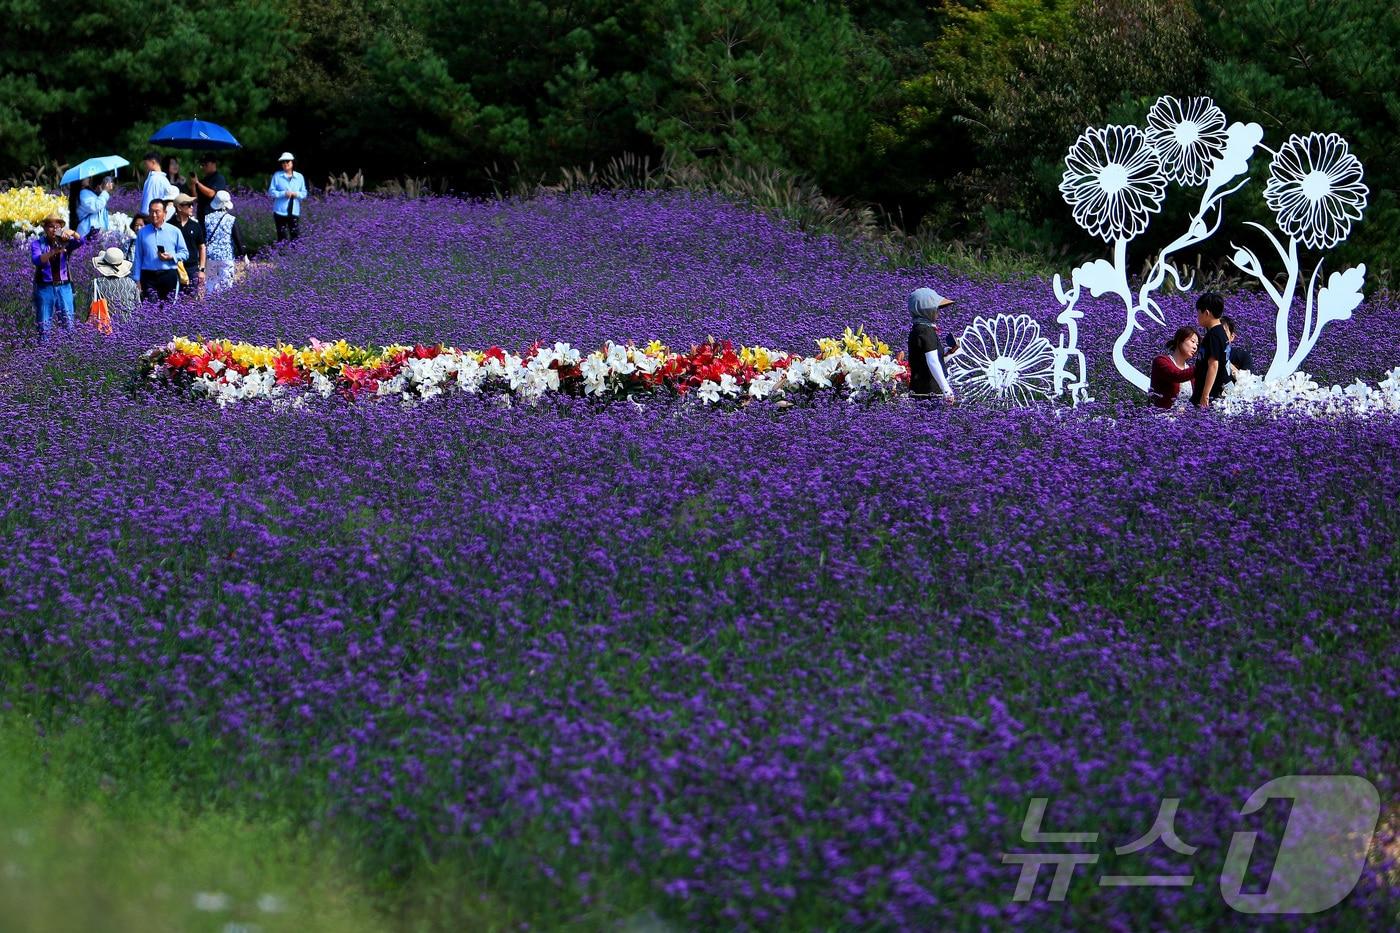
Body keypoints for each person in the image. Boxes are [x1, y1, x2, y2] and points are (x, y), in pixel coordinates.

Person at [31, 212, 85, 336]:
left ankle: (68, 349)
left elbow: (81, 241)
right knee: (44, 325)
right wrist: (54, 251)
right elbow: (37, 260)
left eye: (57, 226)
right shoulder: (38, 244)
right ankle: (43, 351)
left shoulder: (66, 241)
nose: (54, 229)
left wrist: (72, 233)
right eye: (50, 226)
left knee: (68, 323)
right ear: (45, 228)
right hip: (45, 287)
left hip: (64, 286)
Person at [907, 287, 960, 402]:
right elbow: (932, 361)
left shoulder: (917, 329)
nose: (938, 311)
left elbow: (922, 356)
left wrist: (945, 351)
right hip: (930, 391)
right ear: (926, 310)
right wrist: (946, 390)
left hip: (918, 388)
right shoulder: (926, 331)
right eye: (935, 308)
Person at [130, 199, 188, 302]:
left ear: (164, 213)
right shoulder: (142, 232)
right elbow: (138, 257)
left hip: (168, 274)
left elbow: (185, 253)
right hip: (148, 276)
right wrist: (137, 279)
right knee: (149, 308)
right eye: (151, 211)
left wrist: (172, 257)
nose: (154, 215)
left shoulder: (174, 231)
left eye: (157, 211)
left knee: (168, 309)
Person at [203, 189, 247, 295]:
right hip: (226, 256)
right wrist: (244, 255)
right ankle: (224, 306)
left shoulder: (206, 218)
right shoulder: (231, 219)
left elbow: (202, 238)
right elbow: (238, 240)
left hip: (210, 255)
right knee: (226, 284)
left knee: (210, 282)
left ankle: (210, 306)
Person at [1191, 292, 1229, 409]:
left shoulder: (1213, 335)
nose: (1197, 317)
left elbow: (1213, 365)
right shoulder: (1221, 333)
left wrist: (1205, 395)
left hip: (1211, 394)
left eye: (1198, 313)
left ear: (1206, 313)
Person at [1148, 326, 1198, 409]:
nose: (1195, 347)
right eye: (1192, 341)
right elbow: (1176, 375)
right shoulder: (1160, 361)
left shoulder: (1189, 369)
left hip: (1183, 419)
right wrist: (1202, 366)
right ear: (1179, 340)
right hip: (1161, 417)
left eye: (1197, 344)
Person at [170, 193, 207, 297]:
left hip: (192, 268)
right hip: (174, 267)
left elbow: (202, 247)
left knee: (191, 299)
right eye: (188, 204)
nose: (192, 207)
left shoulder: (195, 226)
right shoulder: (170, 225)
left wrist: (202, 269)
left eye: (192, 204)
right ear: (179, 207)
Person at [90, 246, 140, 319]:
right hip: (131, 325)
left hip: (105, 325)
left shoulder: (96, 283)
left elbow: (90, 308)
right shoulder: (131, 283)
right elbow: (138, 307)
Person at [267, 151, 306, 241]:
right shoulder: (277, 176)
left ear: (292, 162)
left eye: (287, 161)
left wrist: (296, 194)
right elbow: (271, 192)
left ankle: (295, 254)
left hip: (294, 211)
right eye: (283, 162)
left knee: (295, 235)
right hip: (279, 211)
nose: (285, 164)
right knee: (281, 236)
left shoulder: (300, 177)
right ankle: (282, 253)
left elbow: (304, 193)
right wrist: (283, 193)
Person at [191, 155, 228, 220]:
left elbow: (212, 194)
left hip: (214, 216)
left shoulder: (219, 179)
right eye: (202, 165)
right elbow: (195, 198)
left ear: (213, 164)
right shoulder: (203, 181)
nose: (203, 167)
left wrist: (197, 183)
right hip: (201, 216)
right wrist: (193, 184)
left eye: (205, 164)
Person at [1220, 314, 1253, 382]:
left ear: (1232, 336)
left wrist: (1227, 364)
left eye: (1223, 332)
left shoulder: (1243, 357)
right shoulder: (1206, 357)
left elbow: (1246, 383)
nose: (1218, 336)